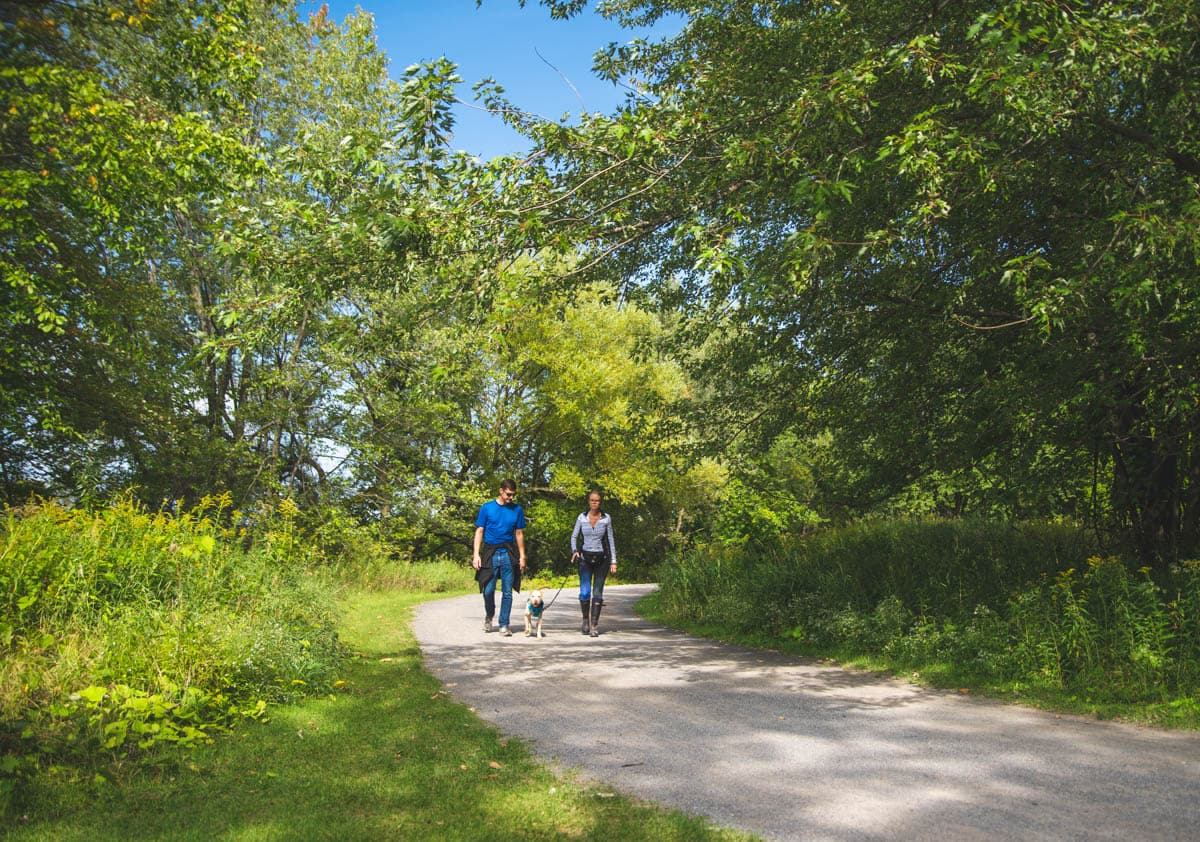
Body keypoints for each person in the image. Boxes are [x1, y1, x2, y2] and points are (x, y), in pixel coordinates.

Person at [472, 478, 527, 637]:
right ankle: (489, 615)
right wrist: (476, 555)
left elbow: (519, 533)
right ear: (501, 491)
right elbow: (479, 531)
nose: (511, 498)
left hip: (509, 553)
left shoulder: (517, 510)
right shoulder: (487, 508)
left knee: (507, 591)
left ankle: (504, 624)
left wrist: (522, 556)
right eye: (509, 494)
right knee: (488, 590)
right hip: (490, 553)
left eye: (513, 495)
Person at [571, 490, 617, 637]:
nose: (594, 503)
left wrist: (613, 561)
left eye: (597, 501)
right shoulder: (582, 517)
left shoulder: (606, 518)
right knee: (585, 591)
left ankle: (594, 625)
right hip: (585, 558)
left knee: (597, 591)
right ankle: (585, 620)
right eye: (592, 500)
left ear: (600, 502)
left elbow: (610, 540)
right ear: (588, 501)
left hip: (601, 559)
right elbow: (574, 536)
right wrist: (574, 551)